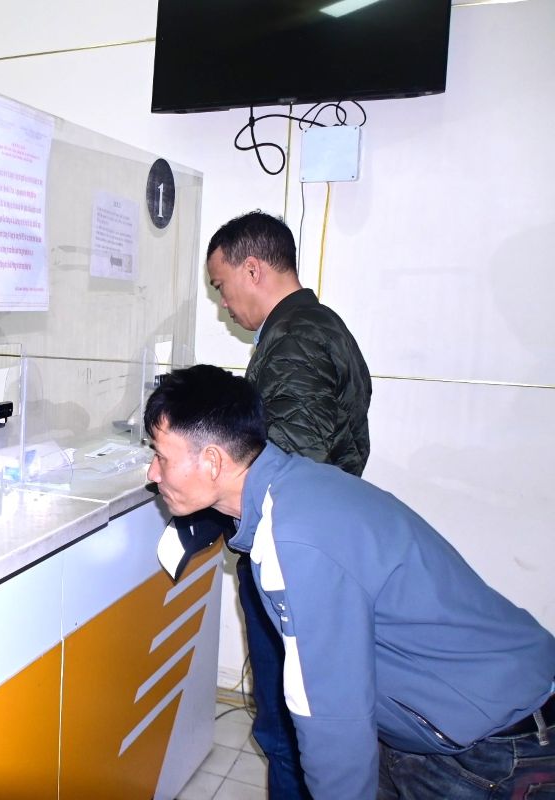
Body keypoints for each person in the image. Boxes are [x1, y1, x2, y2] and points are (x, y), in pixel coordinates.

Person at [144, 364, 555, 800]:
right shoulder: (293, 489)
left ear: (212, 461)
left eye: (162, 457)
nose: (153, 473)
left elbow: (331, 716)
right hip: (443, 726)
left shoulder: (296, 538)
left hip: (497, 745)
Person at [205, 210, 372, 798]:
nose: (223, 303)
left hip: (293, 560)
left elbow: (289, 470)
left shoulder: (296, 340)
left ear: (252, 268)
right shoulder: (314, 325)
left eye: (221, 285)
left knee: (287, 731)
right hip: (318, 547)